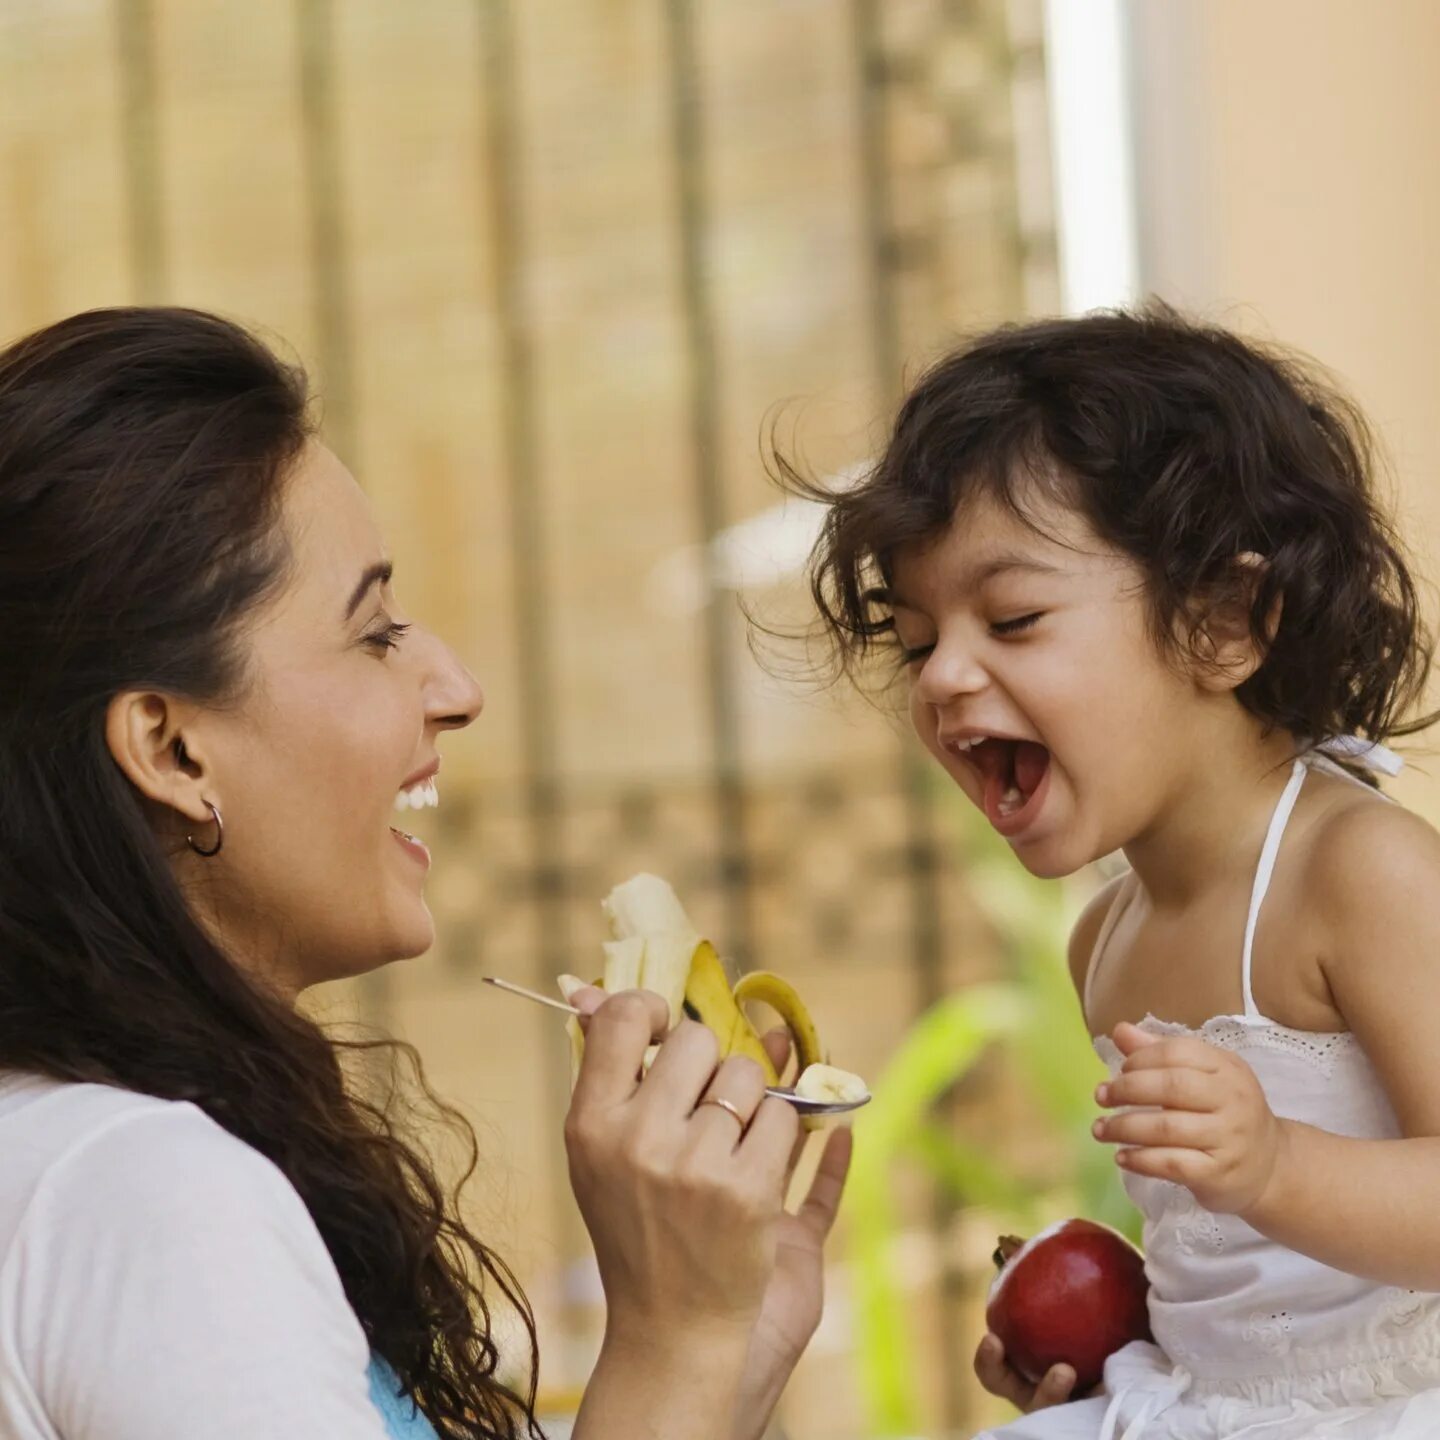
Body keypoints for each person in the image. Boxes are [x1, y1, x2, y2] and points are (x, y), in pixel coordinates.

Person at [0, 306, 852, 1440]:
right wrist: (672, 1337)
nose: (454, 686)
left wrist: (725, 1345)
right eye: (374, 631)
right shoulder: (146, 1195)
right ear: (169, 748)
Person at [794, 306, 1440, 1436]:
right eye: (916, 639)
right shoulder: (1106, 936)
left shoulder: (1358, 868)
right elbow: (1240, 1275)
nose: (944, 675)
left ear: (1227, 622)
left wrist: (1277, 1162)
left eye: (1014, 617)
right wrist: (1112, 1340)